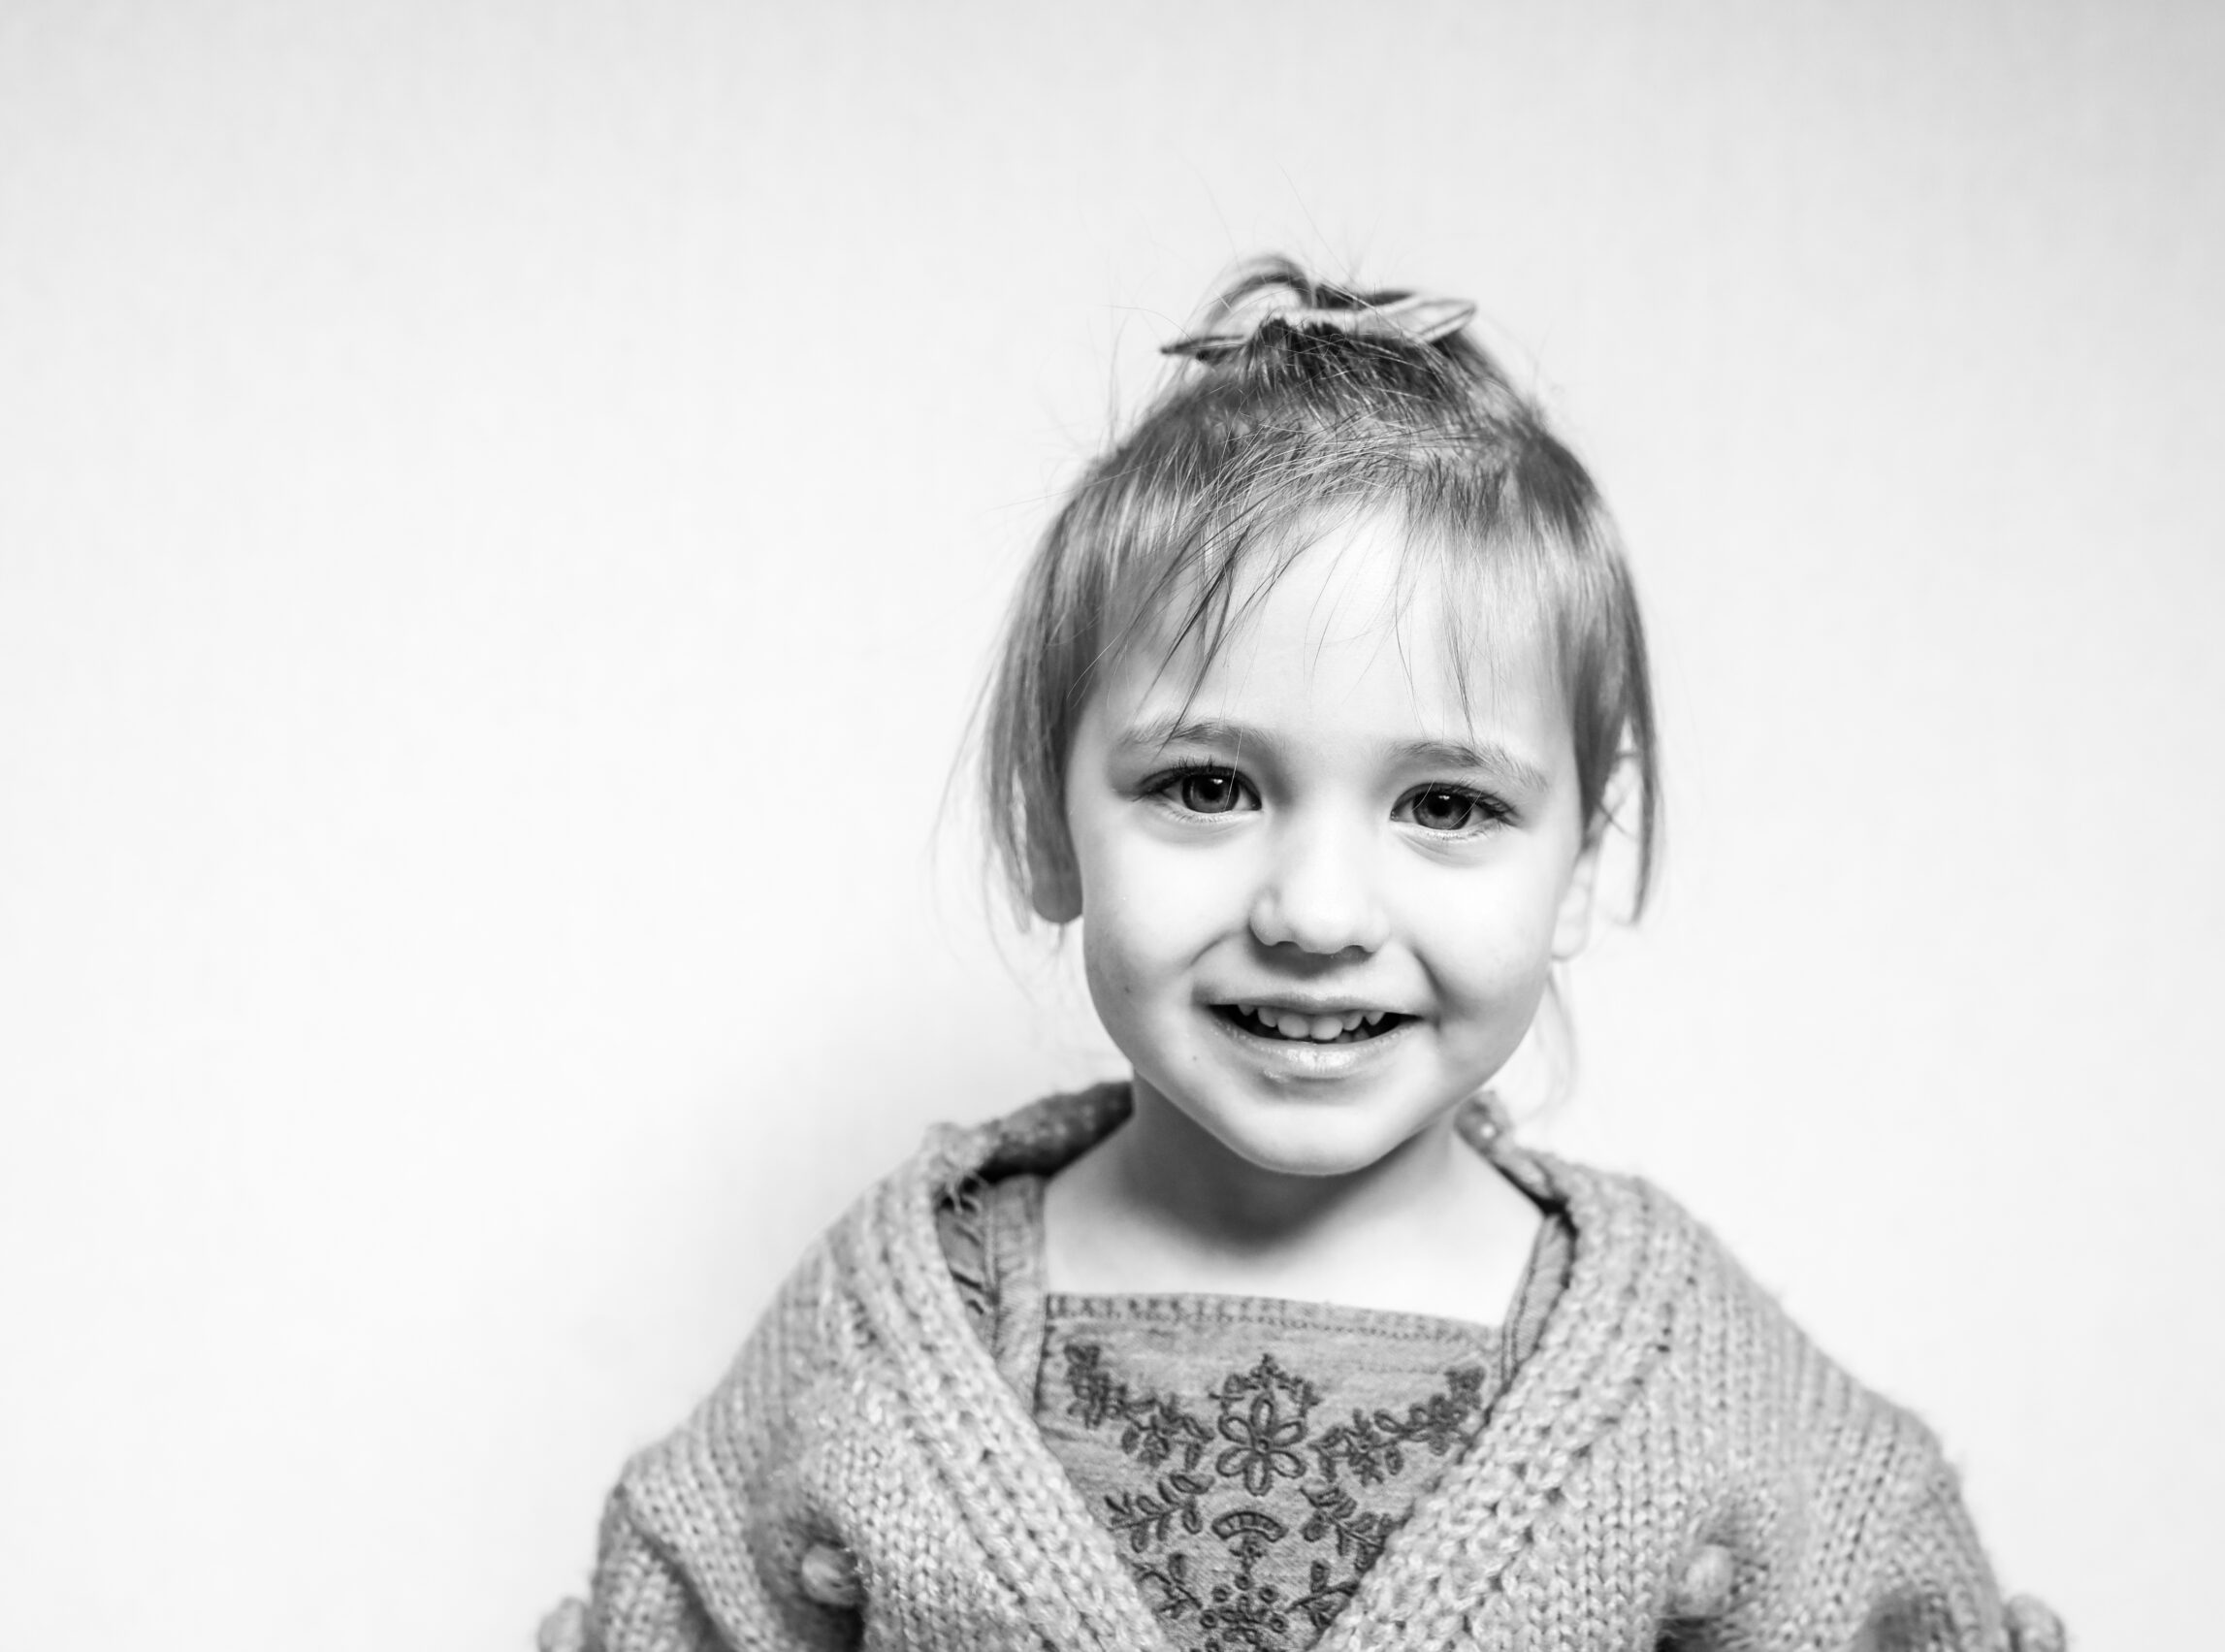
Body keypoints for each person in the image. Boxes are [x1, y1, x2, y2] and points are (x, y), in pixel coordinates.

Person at [539, 261, 2064, 1652]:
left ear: (1582, 863)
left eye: (1448, 804)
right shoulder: (894, 1333)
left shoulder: (1701, 1397)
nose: (1317, 912)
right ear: (1045, 829)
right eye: (1207, 787)